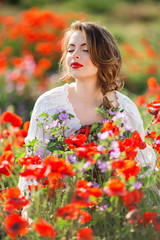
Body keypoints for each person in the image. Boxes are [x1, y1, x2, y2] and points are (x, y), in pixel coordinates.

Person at [18, 20, 156, 194]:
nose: (75, 55)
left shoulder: (124, 109)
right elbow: (33, 162)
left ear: (104, 56)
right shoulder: (49, 104)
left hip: (111, 208)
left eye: (85, 50)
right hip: (60, 207)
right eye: (70, 49)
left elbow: (140, 168)